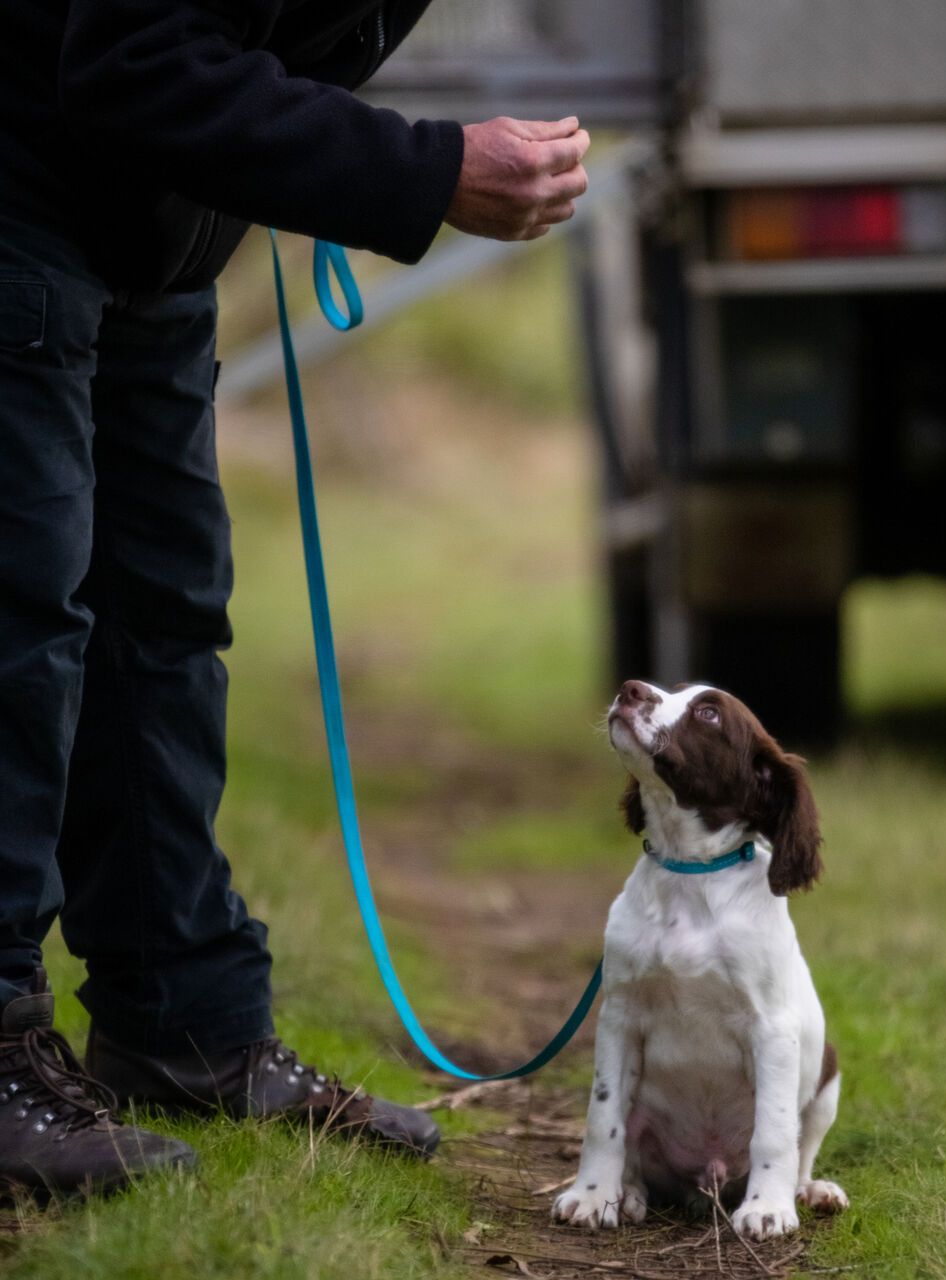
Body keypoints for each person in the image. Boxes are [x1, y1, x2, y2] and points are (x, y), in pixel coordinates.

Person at [0, 0, 589, 1196]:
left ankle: (185, 1026)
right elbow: (130, 57)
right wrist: (427, 170)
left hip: (150, 230)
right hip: (21, 195)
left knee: (159, 621)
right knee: (23, 627)